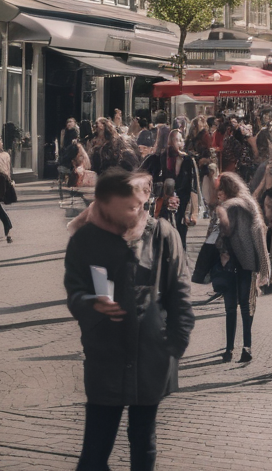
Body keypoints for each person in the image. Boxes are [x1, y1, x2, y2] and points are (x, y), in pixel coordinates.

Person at [64, 169, 194, 471]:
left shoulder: (162, 234)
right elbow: (75, 290)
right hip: (106, 355)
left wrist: (175, 343)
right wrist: (91, 304)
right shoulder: (88, 239)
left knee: (143, 440)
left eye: (136, 203)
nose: (132, 210)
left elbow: (180, 292)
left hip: (150, 354)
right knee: (94, 453)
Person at [214, 172, 270, 363]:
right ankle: (246, 348)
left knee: (231, 308)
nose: (218, 194)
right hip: (246, 262)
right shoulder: (249, 204)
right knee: (245, 306)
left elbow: (216, 235)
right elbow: (259, 235)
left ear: (227, 189)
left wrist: (220, 252)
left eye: (220, 190)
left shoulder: (226, 207)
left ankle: (230, 349)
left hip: (230, 263)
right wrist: (264, 266)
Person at [142, 130, 196, 247]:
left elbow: (192, 185)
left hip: (181, 201)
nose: (181, 142)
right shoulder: (159, 158)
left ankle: (179, 252)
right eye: (178, 140)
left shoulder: (187, 160)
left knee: (180, 233)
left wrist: (192, 211)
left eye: (181, 140)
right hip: (163, 202)